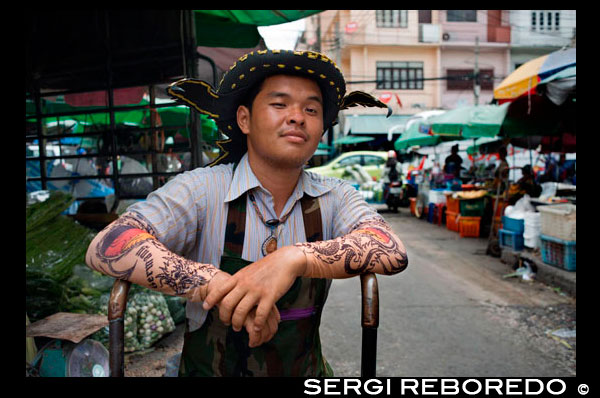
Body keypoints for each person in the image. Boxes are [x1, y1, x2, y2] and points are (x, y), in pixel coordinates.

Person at [85, 49, 408, 377]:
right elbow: (110, 243)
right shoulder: (202, 190)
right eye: (279, 104)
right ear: (244, 119)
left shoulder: (335, 196)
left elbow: (390, 248)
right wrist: (211, 282)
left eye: (311, 109)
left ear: (321, 128)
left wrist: (293, 258)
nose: (297, 116)